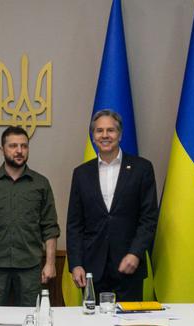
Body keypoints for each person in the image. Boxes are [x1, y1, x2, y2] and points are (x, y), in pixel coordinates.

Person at [66, 109, 158, 301]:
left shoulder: (142, 169)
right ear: (93, 136)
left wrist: (136, 253)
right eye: (99, 131)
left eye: (110, 130)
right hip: (92, 268)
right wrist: (76, 264)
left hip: (129, 265)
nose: (105, 135)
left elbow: (148, 218)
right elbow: (74, 224)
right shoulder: (81, 174)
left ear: (120, 134)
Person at [0, 126, 60, 306]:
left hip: (30, 268)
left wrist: (51, 263)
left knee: (31, 320)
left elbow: (50, 228)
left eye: (24, 146)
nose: (19, 151)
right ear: (2, 150)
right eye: (13, 146)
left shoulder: (41, 184)